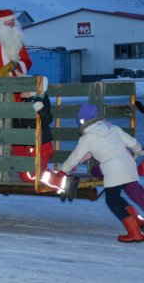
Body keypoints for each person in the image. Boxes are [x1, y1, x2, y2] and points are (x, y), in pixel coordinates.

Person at [59, 104, 144, 242]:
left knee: (112, 201)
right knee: (116, 197)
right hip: (128, 165)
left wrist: (63, 170)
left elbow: (75, 157)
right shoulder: (113, 127)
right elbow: (133, 143)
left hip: (113, 170)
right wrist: (138, 150)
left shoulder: (87, 138)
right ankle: (138, 223)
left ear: (82, 121)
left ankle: (135, 232)